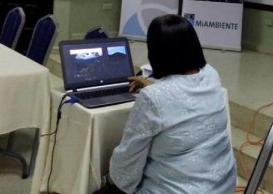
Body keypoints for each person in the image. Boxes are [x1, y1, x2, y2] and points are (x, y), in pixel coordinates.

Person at [96, 14, 237, 194]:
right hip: (221, 187)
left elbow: (126, 165)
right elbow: (183, 94)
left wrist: (108, 178)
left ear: (156, 52)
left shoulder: (152, 98)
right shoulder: (211, 75)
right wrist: (156, 86)